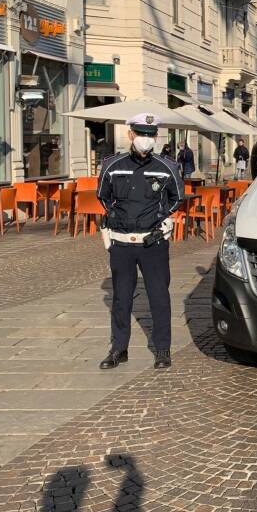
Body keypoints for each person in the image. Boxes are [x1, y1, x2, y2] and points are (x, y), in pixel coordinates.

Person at [96, 113, 183, 370]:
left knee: (159, 297)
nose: (146, 139)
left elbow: (177, 198)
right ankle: (118, 349)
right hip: (121, 242)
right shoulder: (113, 164)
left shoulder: (166, 166)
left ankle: (162, 349)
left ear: (155, 137)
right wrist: (118, 215)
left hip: (152, 243)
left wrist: (159, 217)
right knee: (122, 298)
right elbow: (103, 195)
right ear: (130, 135)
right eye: (141, 134)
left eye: (150, 134)